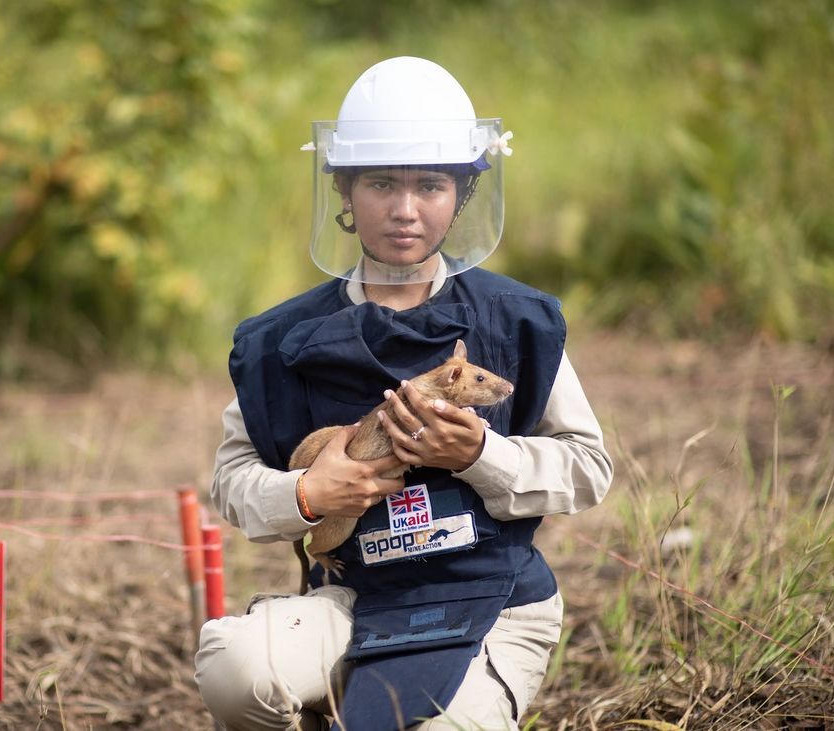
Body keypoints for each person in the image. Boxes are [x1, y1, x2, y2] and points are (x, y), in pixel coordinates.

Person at [194, 56, 613, 731]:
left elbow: (590, 468)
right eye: (382, 183)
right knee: (234, 667)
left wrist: (482, 453)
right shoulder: (278, 341)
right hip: (351, 601)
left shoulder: (517, 322)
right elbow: (231, 479)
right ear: (345, 189)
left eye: (431, 184)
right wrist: (307, 495)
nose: (406, 209)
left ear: (464, 193)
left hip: (492, 604)